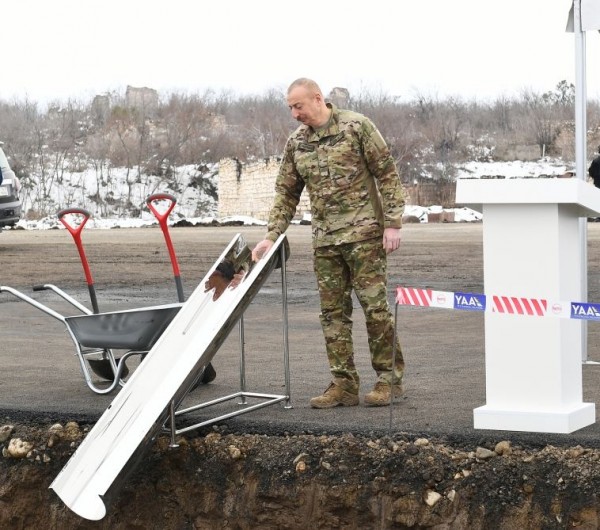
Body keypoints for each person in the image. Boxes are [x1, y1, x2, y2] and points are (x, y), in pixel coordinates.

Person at [251, 78, 406, 408]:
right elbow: (286, 193)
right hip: (326, 242)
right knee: (333, 315)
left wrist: (392, 224)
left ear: (317, 99)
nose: (294, 114)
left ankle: (388, 380)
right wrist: (271, 236)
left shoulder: (356, 126)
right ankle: (343, 384)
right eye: (290, 108)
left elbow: (387, 174)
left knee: (375, 310)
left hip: (365, 237)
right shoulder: (297, 143)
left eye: (298, 106)